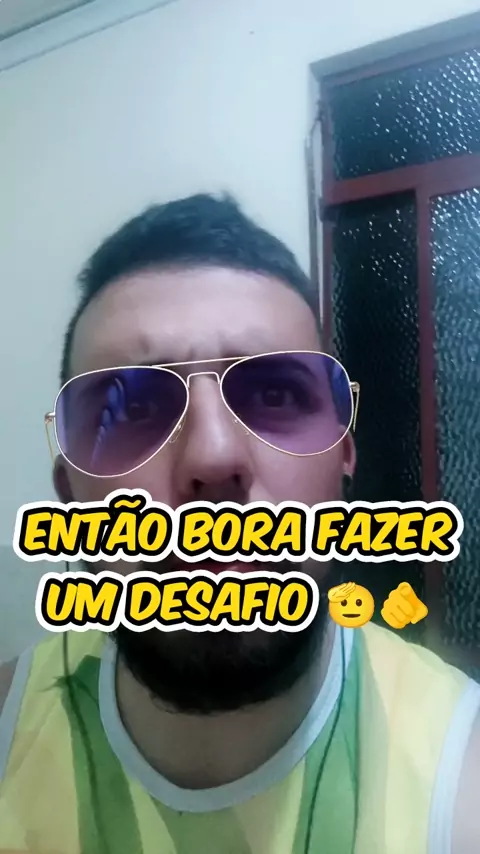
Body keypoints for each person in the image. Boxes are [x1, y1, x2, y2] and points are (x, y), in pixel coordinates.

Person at [0, 194, 478, 854]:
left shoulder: (461, 781)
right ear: (69, 497)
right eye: (132, 408)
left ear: (342, 457)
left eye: (275, 394)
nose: (213, 457)